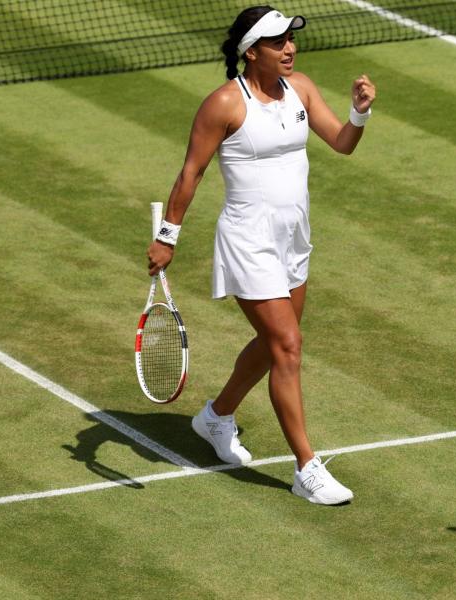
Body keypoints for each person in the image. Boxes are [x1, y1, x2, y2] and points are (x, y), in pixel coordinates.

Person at [146, 5, 376, 506]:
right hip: (248, 241)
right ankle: (306, 467)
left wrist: (359, 111)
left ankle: (216, 416)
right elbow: (191, 174)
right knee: (288, 347)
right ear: (252, 52)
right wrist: (168, 237)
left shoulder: (303, 89)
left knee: (275, 345)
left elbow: (341, 142)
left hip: (294, 238)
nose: (289, 48)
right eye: (278, 43)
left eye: (291, 40)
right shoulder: (224, 103)